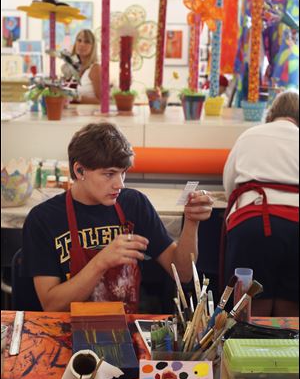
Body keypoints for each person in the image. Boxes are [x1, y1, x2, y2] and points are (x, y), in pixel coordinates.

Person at [22, 122, 214, 313]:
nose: (120, 184)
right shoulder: (43, 219)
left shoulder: (134, 204)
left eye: (123, 173)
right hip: (66, 330)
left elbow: (184, 274)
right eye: (109, 174)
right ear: (79, 171)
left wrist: (191, 221)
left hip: (125, 325)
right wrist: (101, 261)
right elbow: (52, 305)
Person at [221, 90, 299, 316]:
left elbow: (229, 186)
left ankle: (247, 347)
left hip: (252, 223)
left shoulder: (249, 135)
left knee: (249, 309)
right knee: (291, 311)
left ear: (271, 114)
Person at [63, 29, 101, 104]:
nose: (82, 44)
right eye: (79, 40)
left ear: (93, 47)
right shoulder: (71, 68)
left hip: (89, 115)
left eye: (87, 42)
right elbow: (65, 95)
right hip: (70, 114)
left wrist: (77, 98)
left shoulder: (95, 68)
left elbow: (102, 101)